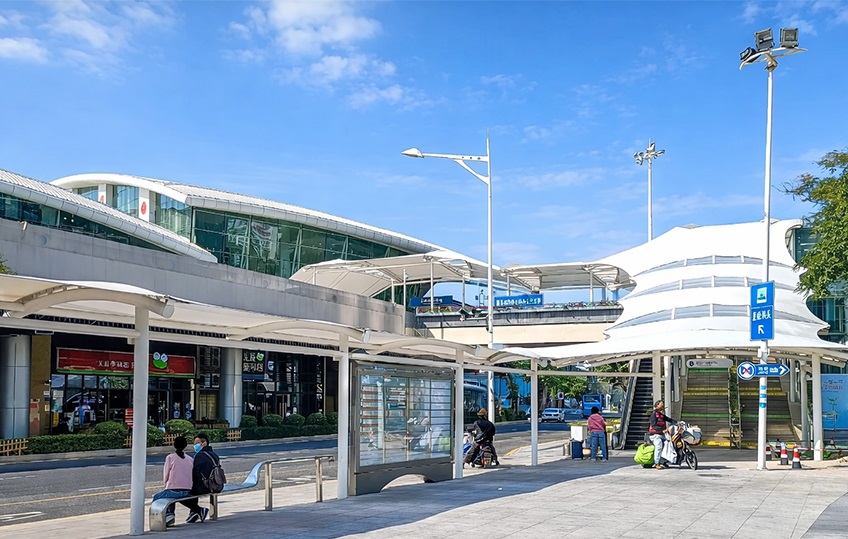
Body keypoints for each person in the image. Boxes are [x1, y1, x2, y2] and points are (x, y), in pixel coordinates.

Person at [151, 436, 194, 527]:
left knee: (158, 497)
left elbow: (166, 475)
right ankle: (170, 515)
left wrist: (165, 483)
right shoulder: (190, 459)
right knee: (171, 496)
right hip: (187, 490)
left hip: (173, 489)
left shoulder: (170, 457)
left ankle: (169, 516)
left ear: (174, 445)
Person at [185, 433, 220, 523]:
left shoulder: (199, 456)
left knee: (187, 491)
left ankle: (196, 510)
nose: (195, 446)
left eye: (197, 443)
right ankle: (194, 513)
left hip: (206, 486)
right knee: (194, 488)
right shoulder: (214, 454)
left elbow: (195, 473)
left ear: (204, 443)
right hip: (217, 485)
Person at [648, 400, 676, 470]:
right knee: (659, 446)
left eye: (663, 404)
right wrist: (662, 430)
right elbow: (653, 425)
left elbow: (667, 419)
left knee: (667, 446)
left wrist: (677, 422)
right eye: (661, 404)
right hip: (655, 434)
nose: (662, 406)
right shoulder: (654, 414)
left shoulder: (660, 414)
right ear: (657, 405)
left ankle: (663, 462)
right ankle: (657, 463)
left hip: (662, 434)